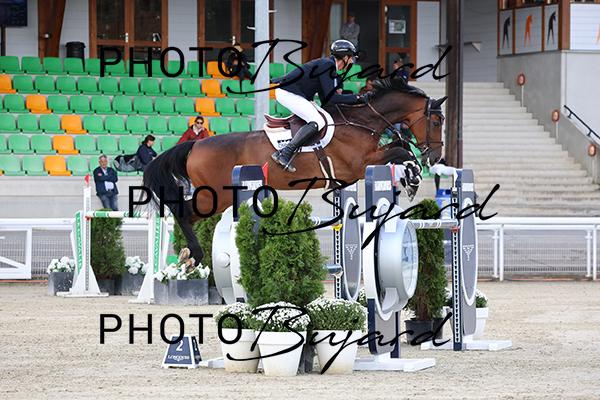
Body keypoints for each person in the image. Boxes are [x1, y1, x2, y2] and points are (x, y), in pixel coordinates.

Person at [270, 39, 370, 173]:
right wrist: (357, 98)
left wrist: (353, 103)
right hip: (287, 92)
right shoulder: (328, 66)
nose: (352, 62)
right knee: (318, 121)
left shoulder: (329, 66)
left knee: (323, 117)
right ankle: (284, 153)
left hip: (294, 93)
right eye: (351, 58)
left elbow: (326, 100)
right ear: (345, 58)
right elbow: (332, 97)